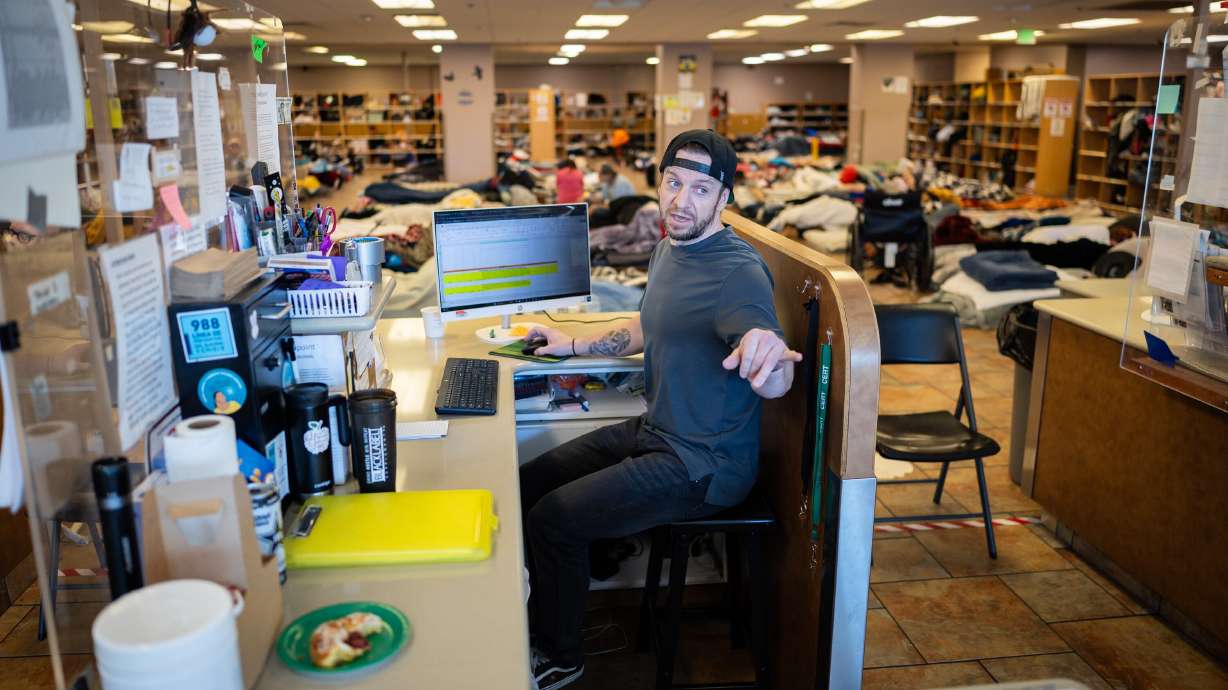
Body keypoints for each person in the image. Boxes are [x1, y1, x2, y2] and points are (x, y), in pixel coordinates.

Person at [520, 130, 801, 690]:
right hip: (660, 431)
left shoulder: (736, 272)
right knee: (530, 482)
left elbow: (772, 367)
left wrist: (769, 359)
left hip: (705, 465)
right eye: (674, 183)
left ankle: (560, 653)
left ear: (724, 200)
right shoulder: (669, 247)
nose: (681, 200)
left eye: (700, 189)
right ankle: (561, 585)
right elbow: (646, 325)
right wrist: (570, 344)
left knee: (554, 520)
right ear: (659, 183)